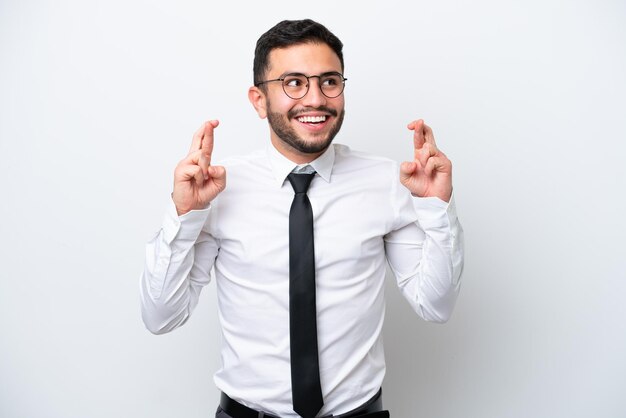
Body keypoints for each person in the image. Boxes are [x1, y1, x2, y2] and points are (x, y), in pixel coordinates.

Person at [140, 19, 464, 418]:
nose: (315, 99)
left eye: (329, 81)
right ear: (259, 100)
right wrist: (185, 214)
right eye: (294, 82)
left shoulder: (388, 181)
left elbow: (436, 306)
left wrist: (436, 208)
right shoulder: (219, 187)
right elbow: (161, 316)